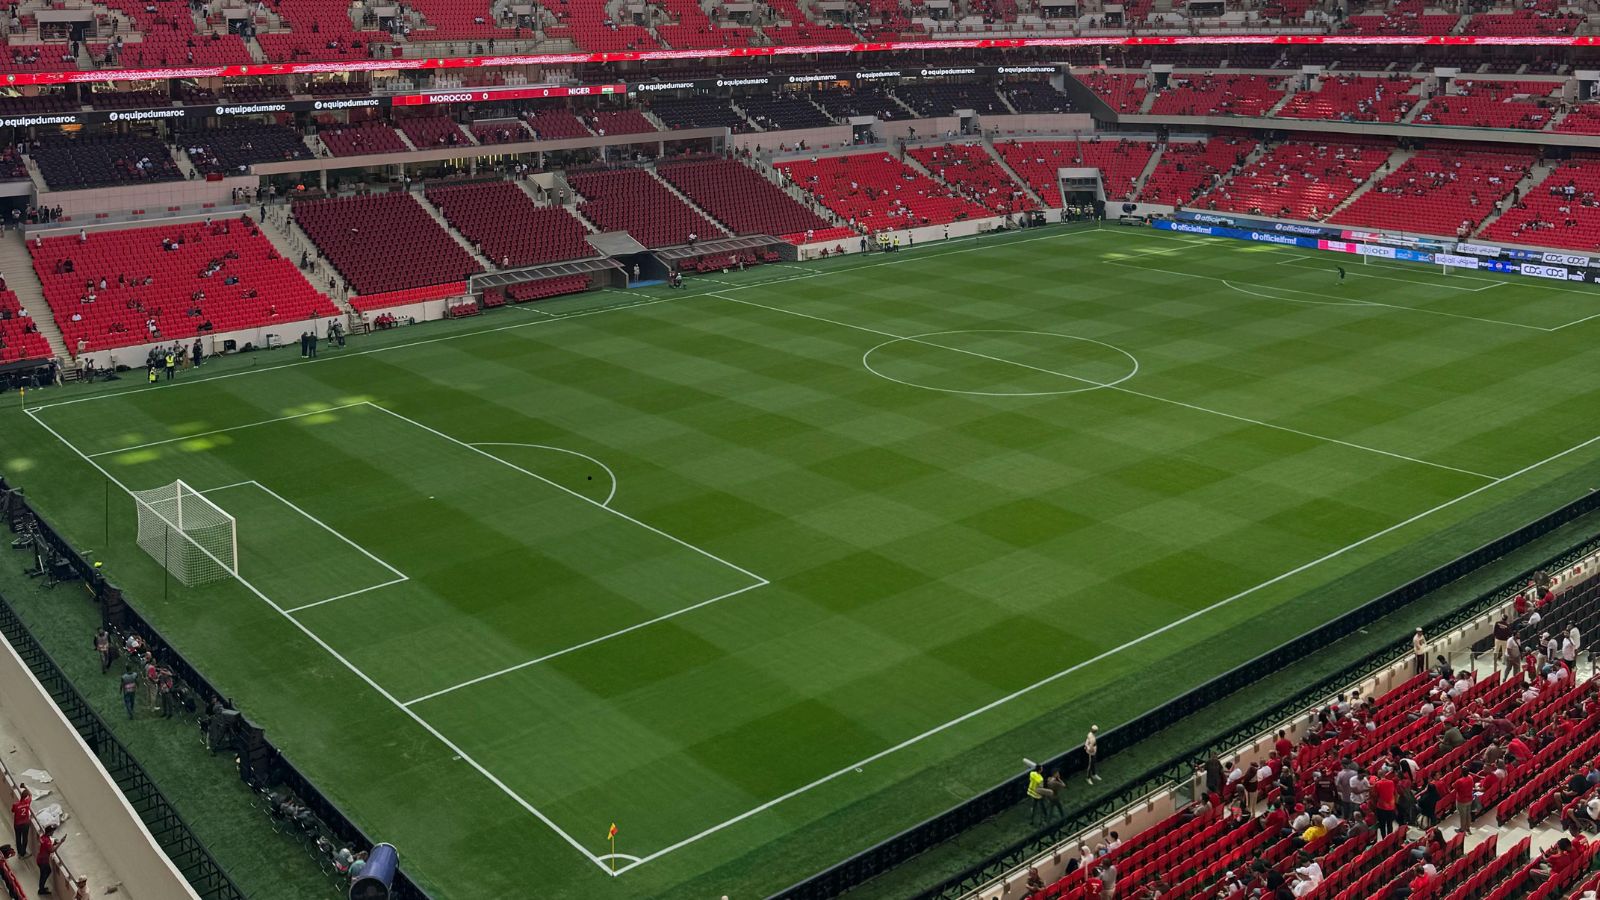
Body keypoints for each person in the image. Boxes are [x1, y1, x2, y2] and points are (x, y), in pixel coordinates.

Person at [35, 823, 64, 895]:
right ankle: (41, 889)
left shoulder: (43, 837)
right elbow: (52, 850)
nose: (53, 832)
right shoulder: (47, 841)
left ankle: (41, 887)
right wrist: (60, 842)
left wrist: (52, 844)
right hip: (43, 861)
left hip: (40, 859)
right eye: (52, 831)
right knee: (45, 873)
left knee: (46, 872)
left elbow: (46, 846)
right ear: (49, 832)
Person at [10, 787, 29, 859]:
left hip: (17, 824)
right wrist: (25, 787)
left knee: (18, 838)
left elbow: (12, 810)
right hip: (25, 824)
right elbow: (30, 795)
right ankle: (23, 853)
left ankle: (19, 853)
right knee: (25, 838)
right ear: (26, 797)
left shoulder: (15, 804)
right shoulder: (27, 803)